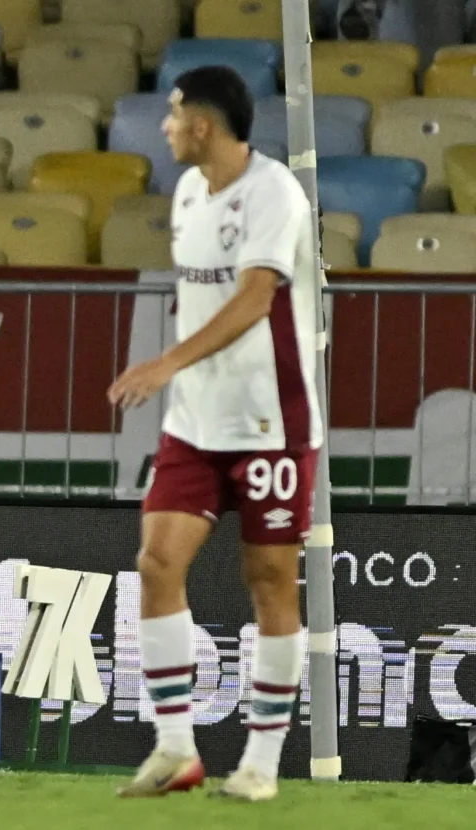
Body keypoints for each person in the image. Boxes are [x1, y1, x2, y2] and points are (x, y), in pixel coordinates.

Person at [108, 66, 322, 802]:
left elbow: (256, 300)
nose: (165, 128)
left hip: (270, 424)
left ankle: (261, 763)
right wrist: (179, 378)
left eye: (173, 116)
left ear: (203, 125)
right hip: (194, 424)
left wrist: (165, 363)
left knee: (269, 581)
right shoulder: (187, 191)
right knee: (156, 562)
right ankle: (176, 750)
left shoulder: (274, 192)